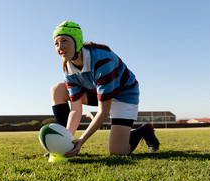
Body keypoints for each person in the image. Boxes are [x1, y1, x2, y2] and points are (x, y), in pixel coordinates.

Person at [51, 20, 159, 158]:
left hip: (123, 94)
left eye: (64, 41)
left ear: (77, 41)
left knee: (118, 152)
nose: (60, 47)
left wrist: (82, 140)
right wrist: (65, 143)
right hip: (97, 92)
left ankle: (144, 130)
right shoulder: (67, 68)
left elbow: (103, 111)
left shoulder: (103, 61)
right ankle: (64, 140)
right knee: (58, 89)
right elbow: (76, 109)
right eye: (56, 43)